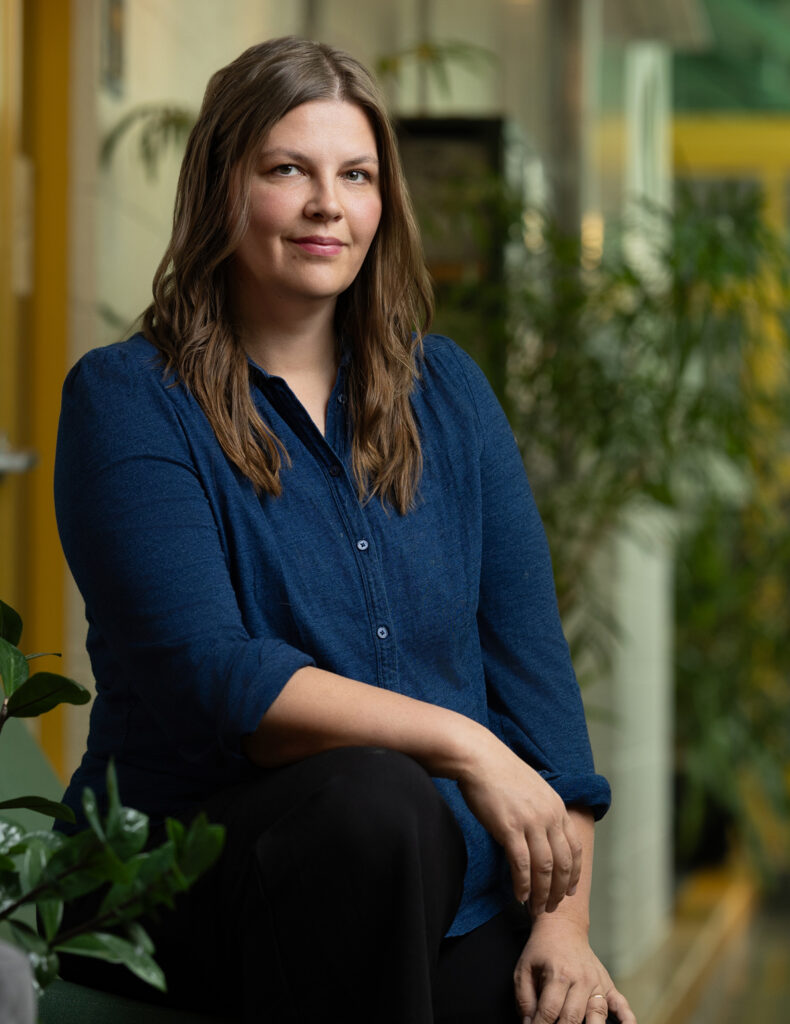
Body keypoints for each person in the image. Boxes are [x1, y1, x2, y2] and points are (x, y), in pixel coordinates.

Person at [54, 35, 636, 1024]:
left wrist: (562, 925)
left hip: (434, 883)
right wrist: (463, 745)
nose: (329, 203)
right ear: (221, 190)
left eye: (355, 174)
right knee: (378, 799)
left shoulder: (446, 392)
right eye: (288, 169)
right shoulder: (128, 401)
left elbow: (536, 684)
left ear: (381, 202)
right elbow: (212, 674)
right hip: (187, 879)